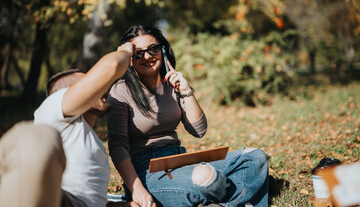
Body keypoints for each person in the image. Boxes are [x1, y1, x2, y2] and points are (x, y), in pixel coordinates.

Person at [107, 25, 269, 207]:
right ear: (129, 58)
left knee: (254, 158)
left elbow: (199, 130)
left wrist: (186, 91)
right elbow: (117, 146)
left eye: (153, 49)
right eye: (138, 53)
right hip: (145, 171)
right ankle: (228, 193)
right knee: (203, 180)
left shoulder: (172, 83)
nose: (147, 56)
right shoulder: (120, 90)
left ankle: (219, 197)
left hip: (180, 160)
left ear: (162, 50)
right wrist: (136, 188)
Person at [0, 43, 137, 207]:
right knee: (33, 136)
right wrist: (125, 52)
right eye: (88, 83)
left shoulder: (91, 142)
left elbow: (92, 200)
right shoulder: (51, 111)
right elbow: (112, 65)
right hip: (58, 200)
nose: (99, 87)